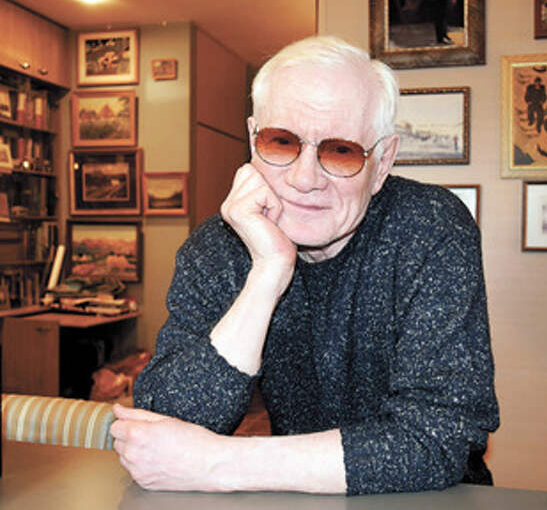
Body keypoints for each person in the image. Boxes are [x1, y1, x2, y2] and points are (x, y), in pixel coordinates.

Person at [110, 36, 499, 496]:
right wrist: (267, 274)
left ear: (382, 163)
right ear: (253, 139)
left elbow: (439, 436)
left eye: (340, 151)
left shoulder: (430, 227)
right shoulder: (217, 246)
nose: (304, 179)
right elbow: (167, 426)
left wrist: (220, 462)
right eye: (281, 142)